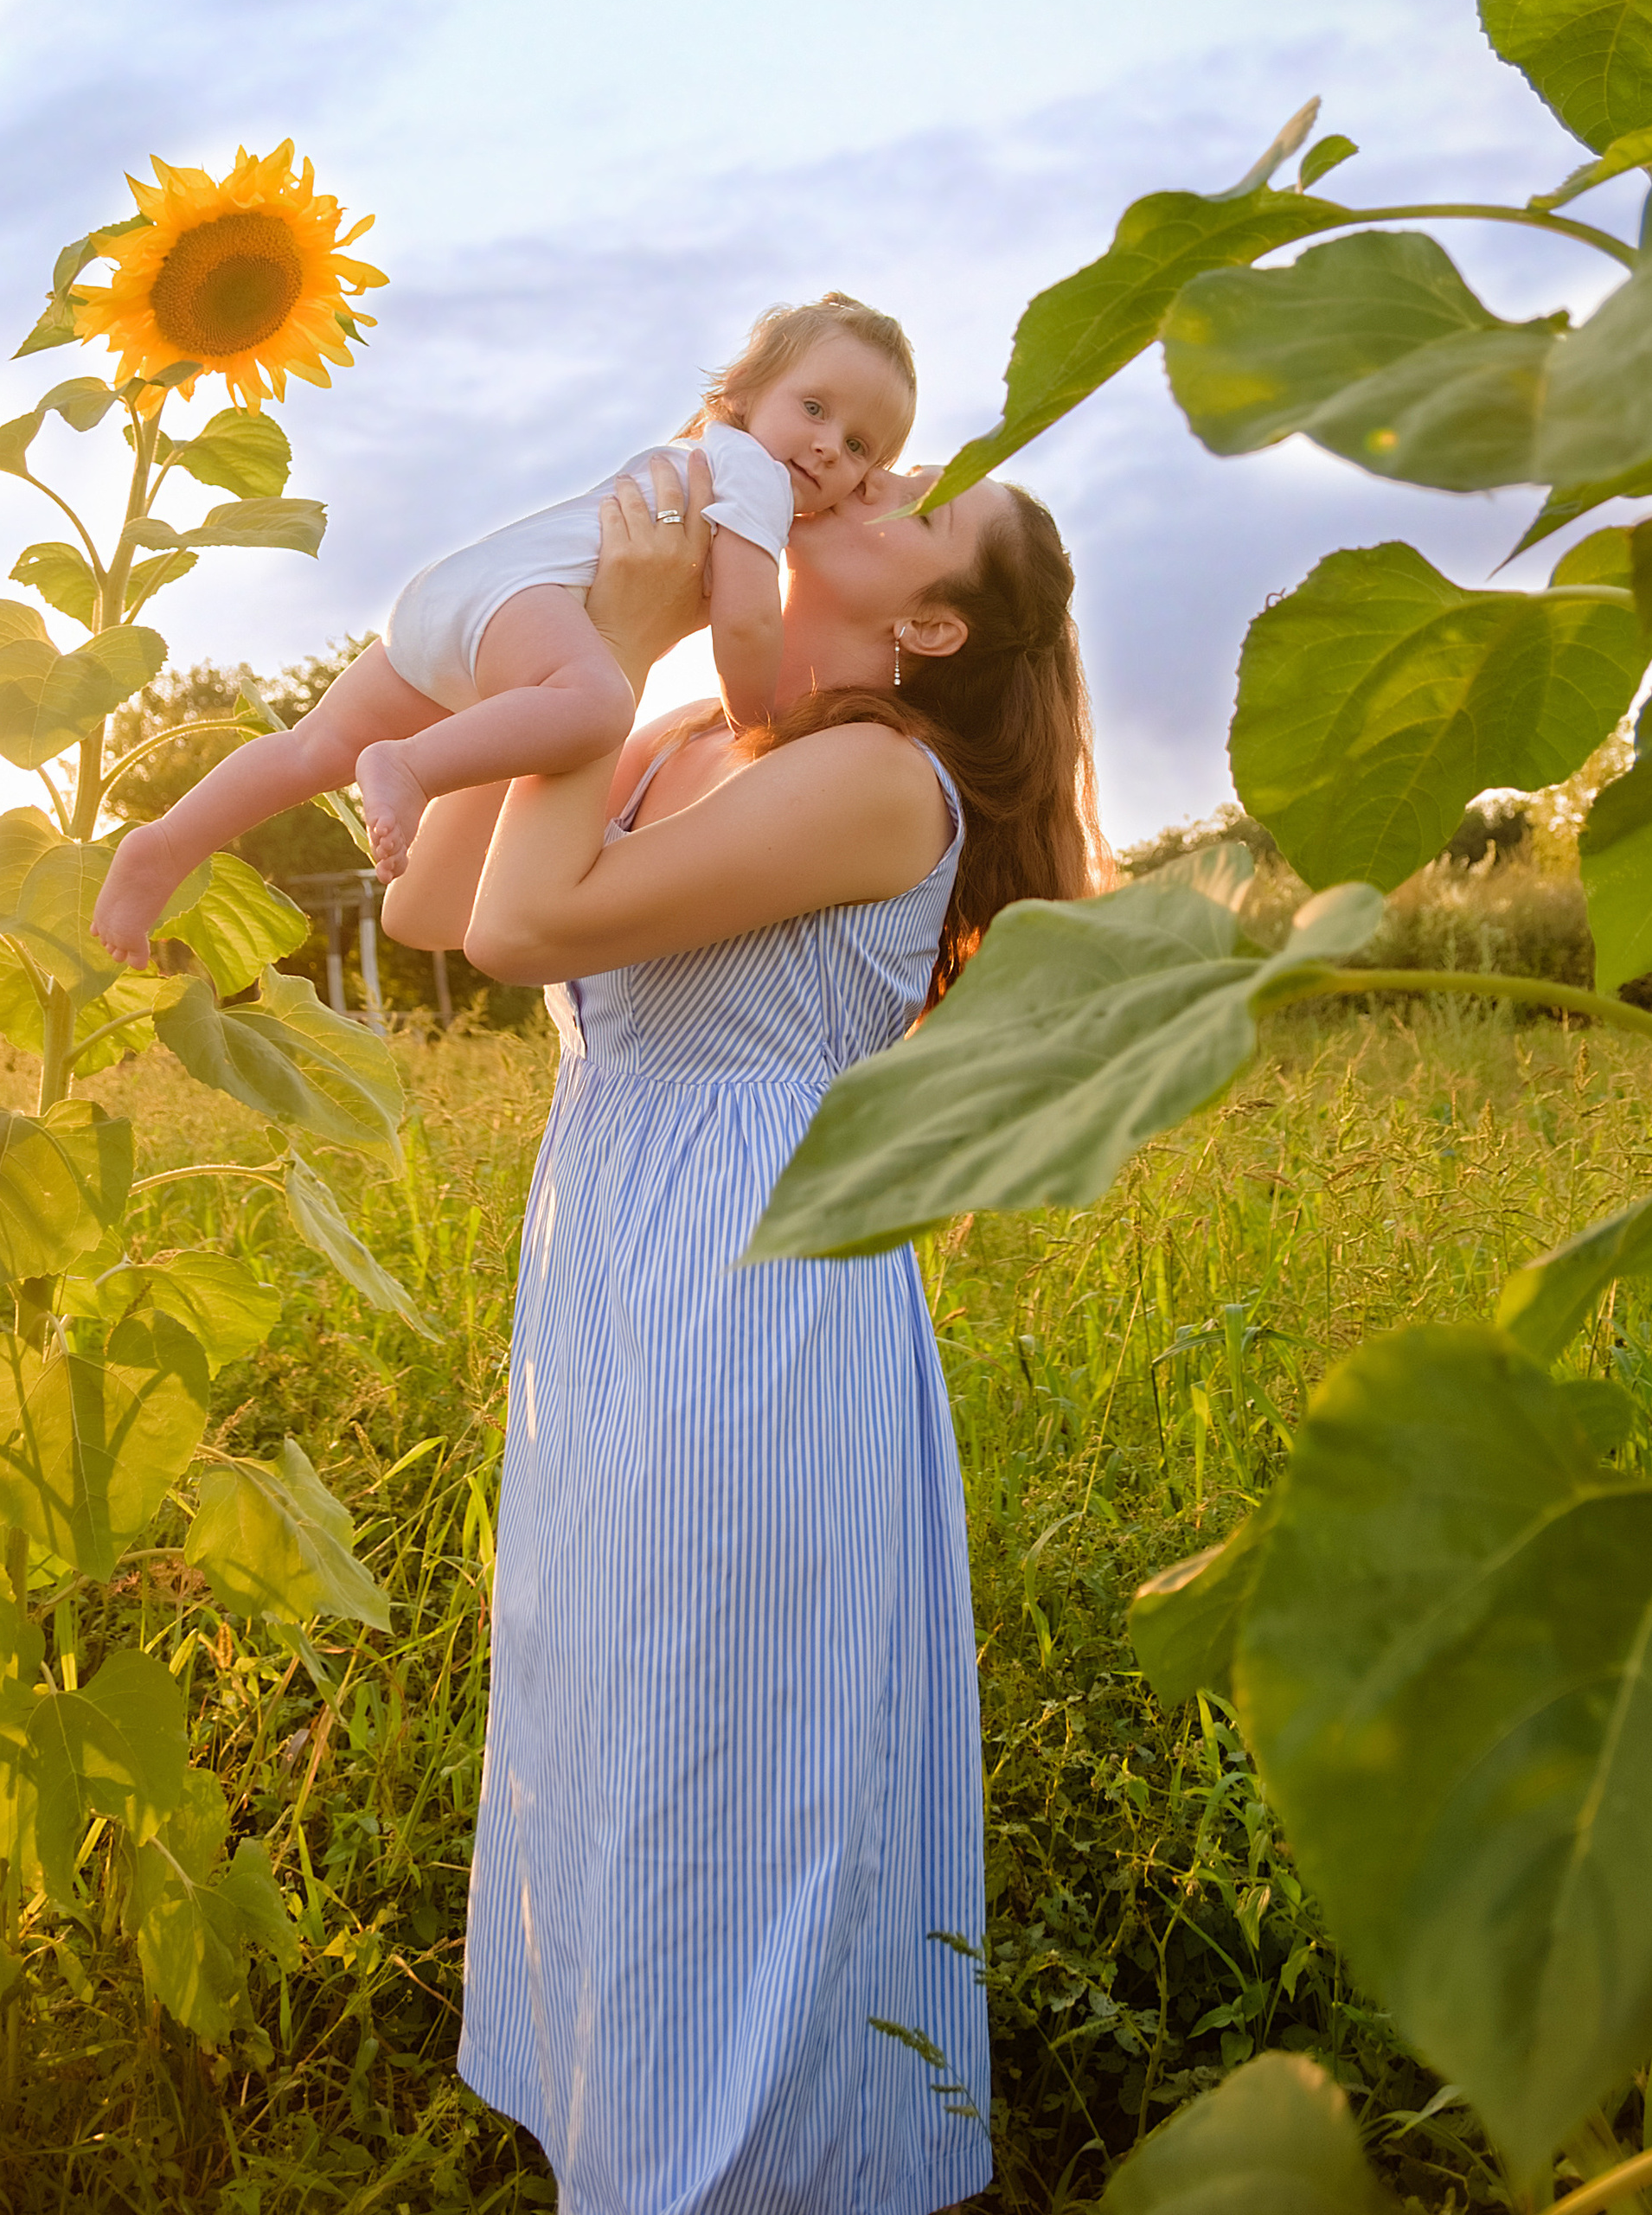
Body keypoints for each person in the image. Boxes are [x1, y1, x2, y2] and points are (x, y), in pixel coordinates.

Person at [381, 447, 1104, 2215]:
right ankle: (625, 2133)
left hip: (759, 1284)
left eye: (919, 500)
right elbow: (427, 910)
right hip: (613, 1256)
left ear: (928, 623)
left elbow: (530, 923)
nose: (870, 476)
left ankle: (743, 2168)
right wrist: (569, 653)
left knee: (736, 1739)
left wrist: (607, 664)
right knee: (612, 1714)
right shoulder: (690, 736)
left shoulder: (880, 775)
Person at [89, 291, 916, 963]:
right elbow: (743, 623)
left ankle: (164, 845)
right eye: (812, 407)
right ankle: (410, 768)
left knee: (311, 748)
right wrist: (755, 718)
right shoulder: (754, 478)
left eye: (858, 446)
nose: (824, 449)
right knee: (594, 707)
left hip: (456, 596)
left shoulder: (697, 456)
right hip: (525, 606)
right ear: (738, 397)